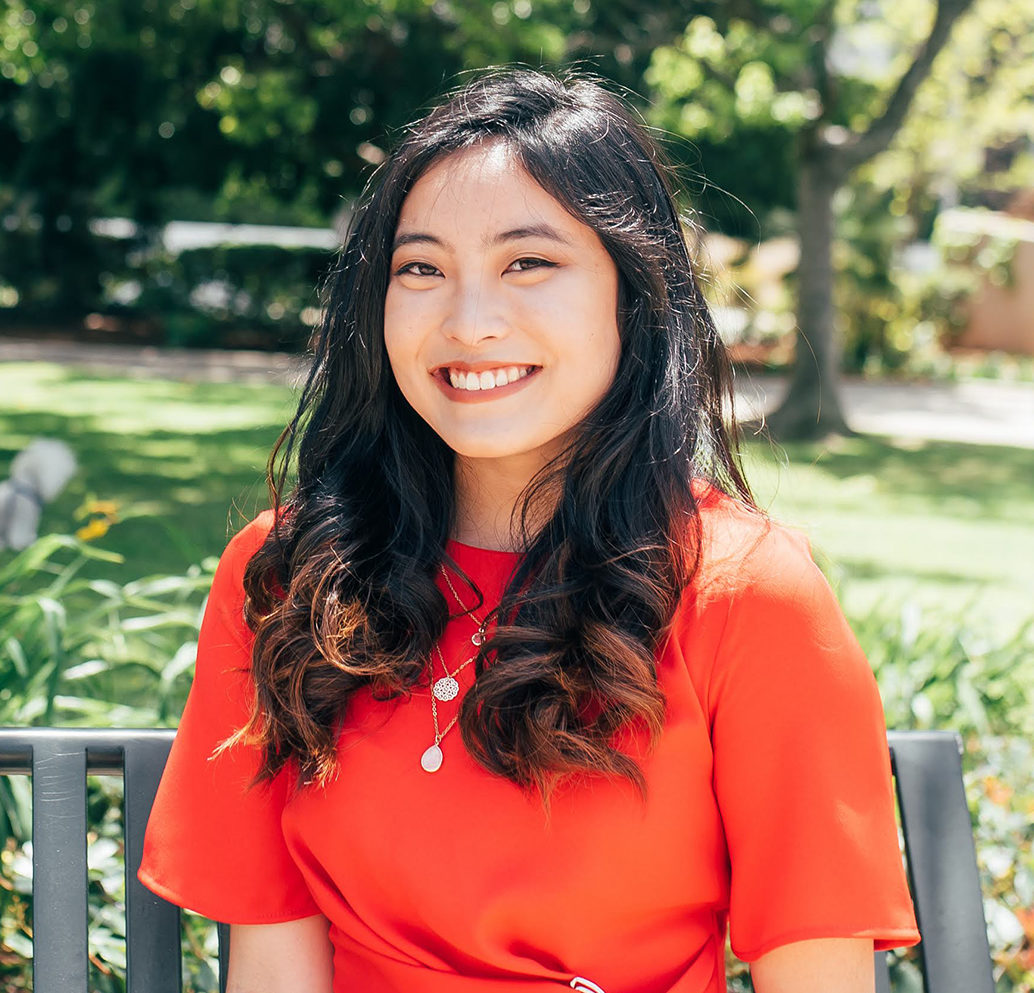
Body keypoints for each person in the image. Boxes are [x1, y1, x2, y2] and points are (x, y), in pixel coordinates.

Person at [139, 69, 919, 993]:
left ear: (634, 295)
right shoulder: (290, 575)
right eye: (420, 268)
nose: (469, 322)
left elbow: (816, 974)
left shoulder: (745, 594)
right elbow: (273, 961)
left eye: (529, 263)